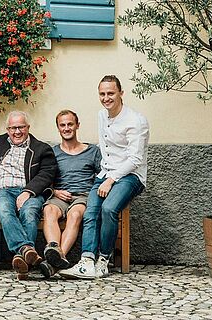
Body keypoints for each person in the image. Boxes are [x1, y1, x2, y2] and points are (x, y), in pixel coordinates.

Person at [60, 75, 149, 279]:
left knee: (108, 208)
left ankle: (103, 259)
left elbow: (135, 159)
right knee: (91, 211)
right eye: (102, 94)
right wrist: (104, 177)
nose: (106, 98)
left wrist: (111, 180)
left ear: (121, 93)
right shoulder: (102, 115)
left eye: (110, 93)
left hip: (131, 176)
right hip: (106, 173)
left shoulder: (136, 121)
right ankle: (86, 261)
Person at [0, 110, 57, 280]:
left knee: (29, 212)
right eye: (13, 128)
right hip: (4, 191)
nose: (17, 132)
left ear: (28, 127)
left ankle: (22, 261)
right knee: (4, 210)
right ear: (7, 129)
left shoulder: (41, 148)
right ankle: (26, 250)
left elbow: (47, 173)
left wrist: (28, 191)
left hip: (31, 192)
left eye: (21, 127)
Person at [39, 109, 101, 278]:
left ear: (77, 126)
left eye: (70, 124)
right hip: (59, 195)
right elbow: (44, 177)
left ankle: (57, 258)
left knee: (74, 215)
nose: (66, 128)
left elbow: (102, 176)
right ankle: (53, 249)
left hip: (83, 196)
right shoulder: (53, 152)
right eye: (62, 125)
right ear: (58, 128)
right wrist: (55, 191)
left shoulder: (92, 151)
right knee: (49, 210)